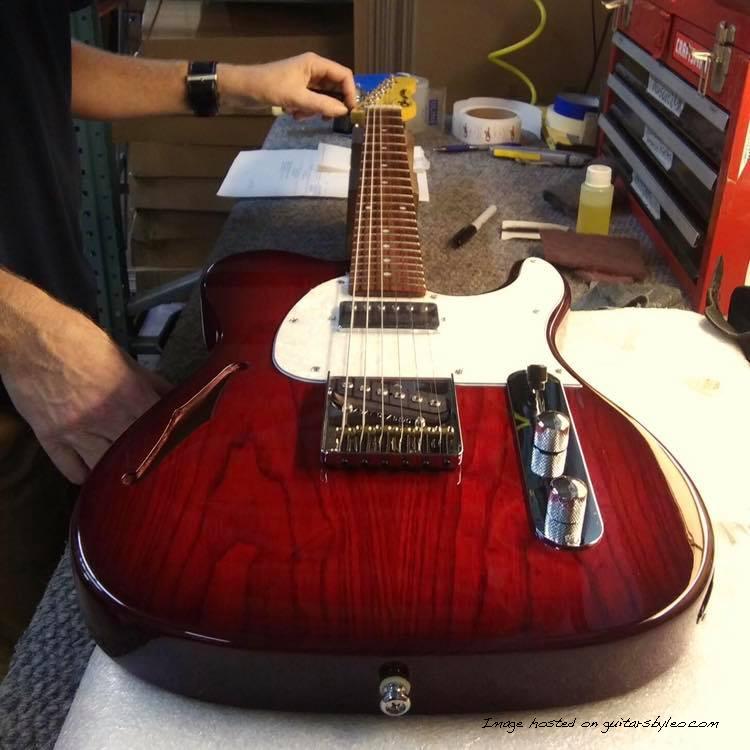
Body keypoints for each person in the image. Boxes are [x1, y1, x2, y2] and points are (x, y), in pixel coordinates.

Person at [0, 0, 356, 676]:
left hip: (45, 352)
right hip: (20, 370)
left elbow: (35, 61)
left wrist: (231, 80)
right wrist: (21, 335)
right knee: (43, 673)